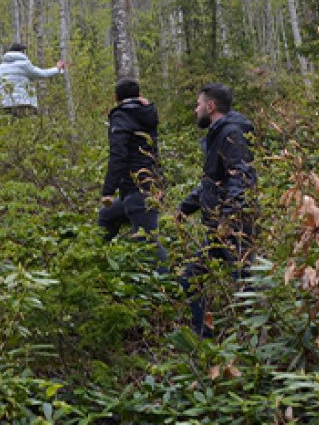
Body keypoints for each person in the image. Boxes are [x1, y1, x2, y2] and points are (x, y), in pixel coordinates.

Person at [176, 83, 258, 338]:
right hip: (218, 228)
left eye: (199, 104)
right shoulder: (218, 134)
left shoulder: (231, 133)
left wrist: (230, 217)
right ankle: (205, 339)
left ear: (210, 107)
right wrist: (185, 207)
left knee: (246, 289)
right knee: (190, 277)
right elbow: (213, 181)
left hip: (233, 227)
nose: (195, 109)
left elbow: (241, 176)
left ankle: (255, 346)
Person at [98, 79, 165, 245]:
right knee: (107, 216)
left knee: (148, 245)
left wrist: (108, 191)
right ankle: (97, 259)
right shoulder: (147, 113)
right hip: (148, 184)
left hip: (139, 189)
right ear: (140, 95)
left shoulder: (122, 116)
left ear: (116, 97)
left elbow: (118, 155)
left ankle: (163, 271)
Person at [0, 43, 65, 116]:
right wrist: (57, 69)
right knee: (24, 126)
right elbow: (43, 74)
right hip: (23, 104)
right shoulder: (24, 65)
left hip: (3, 106)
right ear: (21, 52)